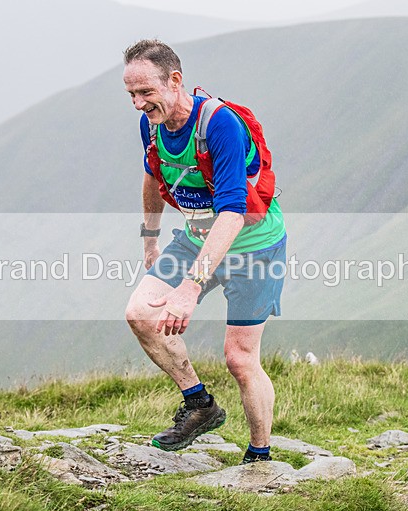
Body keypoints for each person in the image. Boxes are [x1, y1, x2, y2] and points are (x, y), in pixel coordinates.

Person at [122, 39, 286, 464]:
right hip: (197, 237)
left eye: (146, 93)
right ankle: (199, 404)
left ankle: (259, 456)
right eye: (132, 95)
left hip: (253, 246)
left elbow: (233, 212)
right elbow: (151, 174)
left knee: (240, 358)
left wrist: (190, 287)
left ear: (175, 81)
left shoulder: (221, 125)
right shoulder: (153, 125)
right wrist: (150, 235)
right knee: (141, 313)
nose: (139, 104)